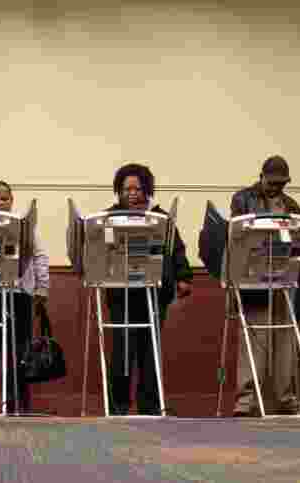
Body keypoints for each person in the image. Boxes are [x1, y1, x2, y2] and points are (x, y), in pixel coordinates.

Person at [105, 163, 193, 416]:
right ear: (118, 191)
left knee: (149, 351)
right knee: (122, 350)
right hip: (121, 292)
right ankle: (118, 407)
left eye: (137, 188)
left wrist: (183, 277)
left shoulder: (161, 217)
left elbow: (176, 248)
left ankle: (150, 407)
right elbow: (101, 246)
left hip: (155, 292)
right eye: (126, 189)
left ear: (147, 189)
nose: (131, 193)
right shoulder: (110, 217)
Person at [230, 155, 300, 416]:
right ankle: (246, 400)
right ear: (262, 176)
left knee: (285, 339)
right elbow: (238, 233)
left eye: (281, 183)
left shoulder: (292, 205)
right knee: (254, 337)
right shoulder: (243, 199)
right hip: (253, 275)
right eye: (272, 182)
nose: (277, 187)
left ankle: (286, 398)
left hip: (284, 275)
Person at [0, 181, 50, 414]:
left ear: (12, 199)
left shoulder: (24, 227)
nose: (0, 202)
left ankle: (18, 403)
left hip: (19, 294)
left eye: (4, 198)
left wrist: (42, 287)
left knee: (20, 350)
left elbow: (40, 256)